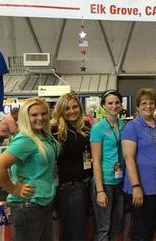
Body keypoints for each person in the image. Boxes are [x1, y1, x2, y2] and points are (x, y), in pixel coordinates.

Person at [0, 97, 60, 241]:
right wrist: (13, 188)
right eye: (34, 115)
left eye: (43, 113)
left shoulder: (43, 136)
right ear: (25, 117)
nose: (40, 118)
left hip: (42, 204)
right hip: (28, 206)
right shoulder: (26, 139)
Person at [122, 88, 156, 241]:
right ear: (137, 106)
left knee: (152, 230)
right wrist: (136, 186)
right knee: (141, 232)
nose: (148, 106)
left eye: (151, 103)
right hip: (141, 188)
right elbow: (129, 158)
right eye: (143, 103)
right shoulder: (132, 127)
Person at [50, 93, 92, 241]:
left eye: (75, 107)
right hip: (69, 188)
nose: (72, 111)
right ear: (60, 110)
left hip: (87, 183)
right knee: (74, 233)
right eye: (67, 108)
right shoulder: (55, 129)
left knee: (82, 229)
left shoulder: (85, 126)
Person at [90, 89, 125, 241]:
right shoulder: (98, 128)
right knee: (104, 226)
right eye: (110, 103)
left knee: (116, 225)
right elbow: (96, 160)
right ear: (103, 106)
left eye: (117, 102)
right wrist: (99, 190)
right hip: (104, 182)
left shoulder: (123, 125)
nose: (114, 106)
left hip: (120, 182)